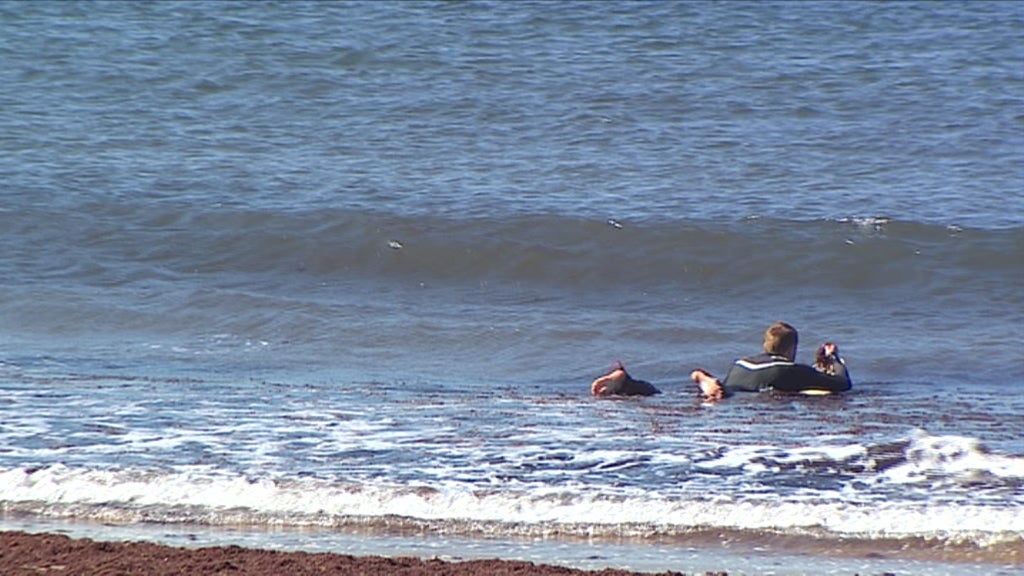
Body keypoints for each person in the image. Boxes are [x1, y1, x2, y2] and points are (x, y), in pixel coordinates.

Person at [591, 322, 851, 400]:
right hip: (741, 394)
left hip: (733, 381)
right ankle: (707, 382)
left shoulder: (743, 361)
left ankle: (626, 382)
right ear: (792, 348)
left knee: (660, 395)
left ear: (766, 344)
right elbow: (842, 384)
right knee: (730, 398)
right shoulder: (790, 368)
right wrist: (834, 357)